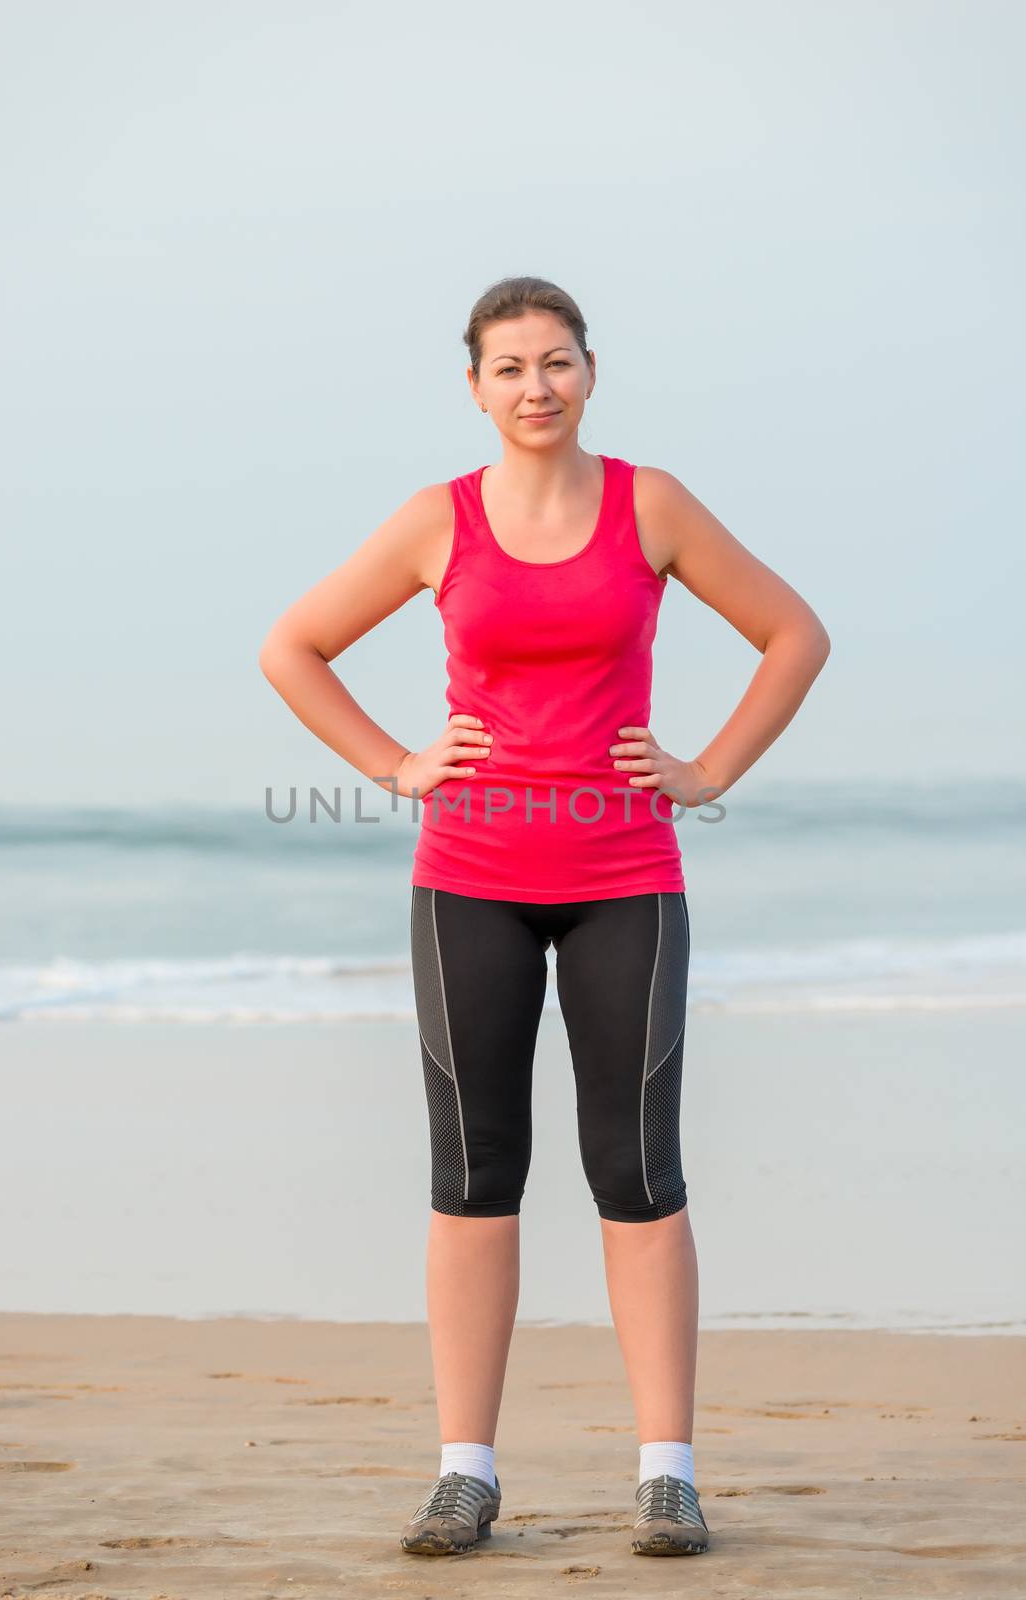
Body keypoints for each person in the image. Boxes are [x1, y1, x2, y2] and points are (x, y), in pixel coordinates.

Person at [258, 275, 831, 1559]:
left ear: (589, 373)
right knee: (474, 1178)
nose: (535, 386)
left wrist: (711, 770)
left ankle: (667, 1474)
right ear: (475, 386)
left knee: (638, 1175)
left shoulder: (653, 506)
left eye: (557, 362)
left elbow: (793, 632)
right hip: (471, 880)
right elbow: (294, 646)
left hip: (629, 875)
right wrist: (401, 763)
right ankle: (465, 1473)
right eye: (510, 366)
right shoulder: (436, 522)